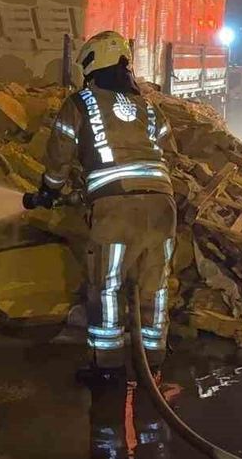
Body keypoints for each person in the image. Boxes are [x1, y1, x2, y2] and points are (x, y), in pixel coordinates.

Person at [27, 30, 177, 381]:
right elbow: (170, 154)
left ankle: (106, 366)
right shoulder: (150, 108)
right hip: (162, 206)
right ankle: (152, 362)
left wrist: (48, 193)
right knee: (155, 285)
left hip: (116, 210)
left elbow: (59, 158)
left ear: (93, 63)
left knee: (107, 285)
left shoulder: (80, 103)